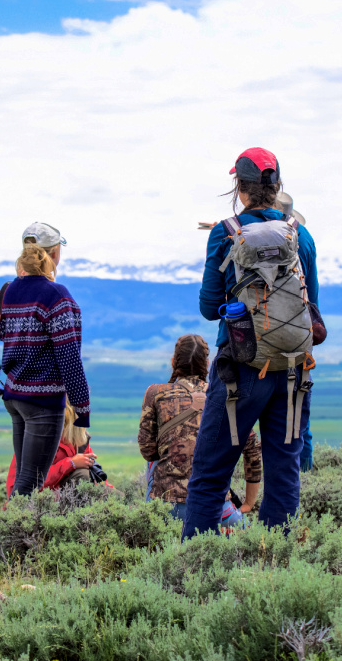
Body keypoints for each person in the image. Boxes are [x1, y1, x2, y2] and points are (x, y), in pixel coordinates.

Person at [180, 148, 319, 539]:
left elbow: (210, 307)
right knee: (284, 474)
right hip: (292, 370)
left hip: (240, 369)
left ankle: (196, 573)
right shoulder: (301, 235)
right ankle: (277, 566)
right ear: (276, 187)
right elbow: (314, 310)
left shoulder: (225, 233)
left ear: (239, 187)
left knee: (210, 474)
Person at [0, 222, 90, 497]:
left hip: (14, 395)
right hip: (43, 402)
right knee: (31, 483)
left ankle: (12, 533)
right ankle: (9, 536)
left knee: (23, 477)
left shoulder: (9, 290)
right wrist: (82, 407)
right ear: (55, 253)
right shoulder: (56, 295)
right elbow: (69, 357)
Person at [137, 335, 259, 526]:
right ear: (208, 364)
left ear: (173, 362)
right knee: (252, 540)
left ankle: (154, 519)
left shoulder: (155, 393)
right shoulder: (226, 395)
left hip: (165, 507)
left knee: (153, 462)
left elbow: (147, 450)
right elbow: (252, 447)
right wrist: (249, 502)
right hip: (216, 507)